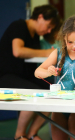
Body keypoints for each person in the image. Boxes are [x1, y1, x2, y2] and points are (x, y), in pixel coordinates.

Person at [0, 4, 60, 140]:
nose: (49, 31)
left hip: (23, 76)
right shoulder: (19, 26)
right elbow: (18, 51)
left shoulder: (35, 36)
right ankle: (19, 135)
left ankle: (32, 133)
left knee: (54, 93)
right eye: (48, 26)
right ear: (40, 17)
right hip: (4, 76)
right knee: (33, 93)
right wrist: (47, 53)